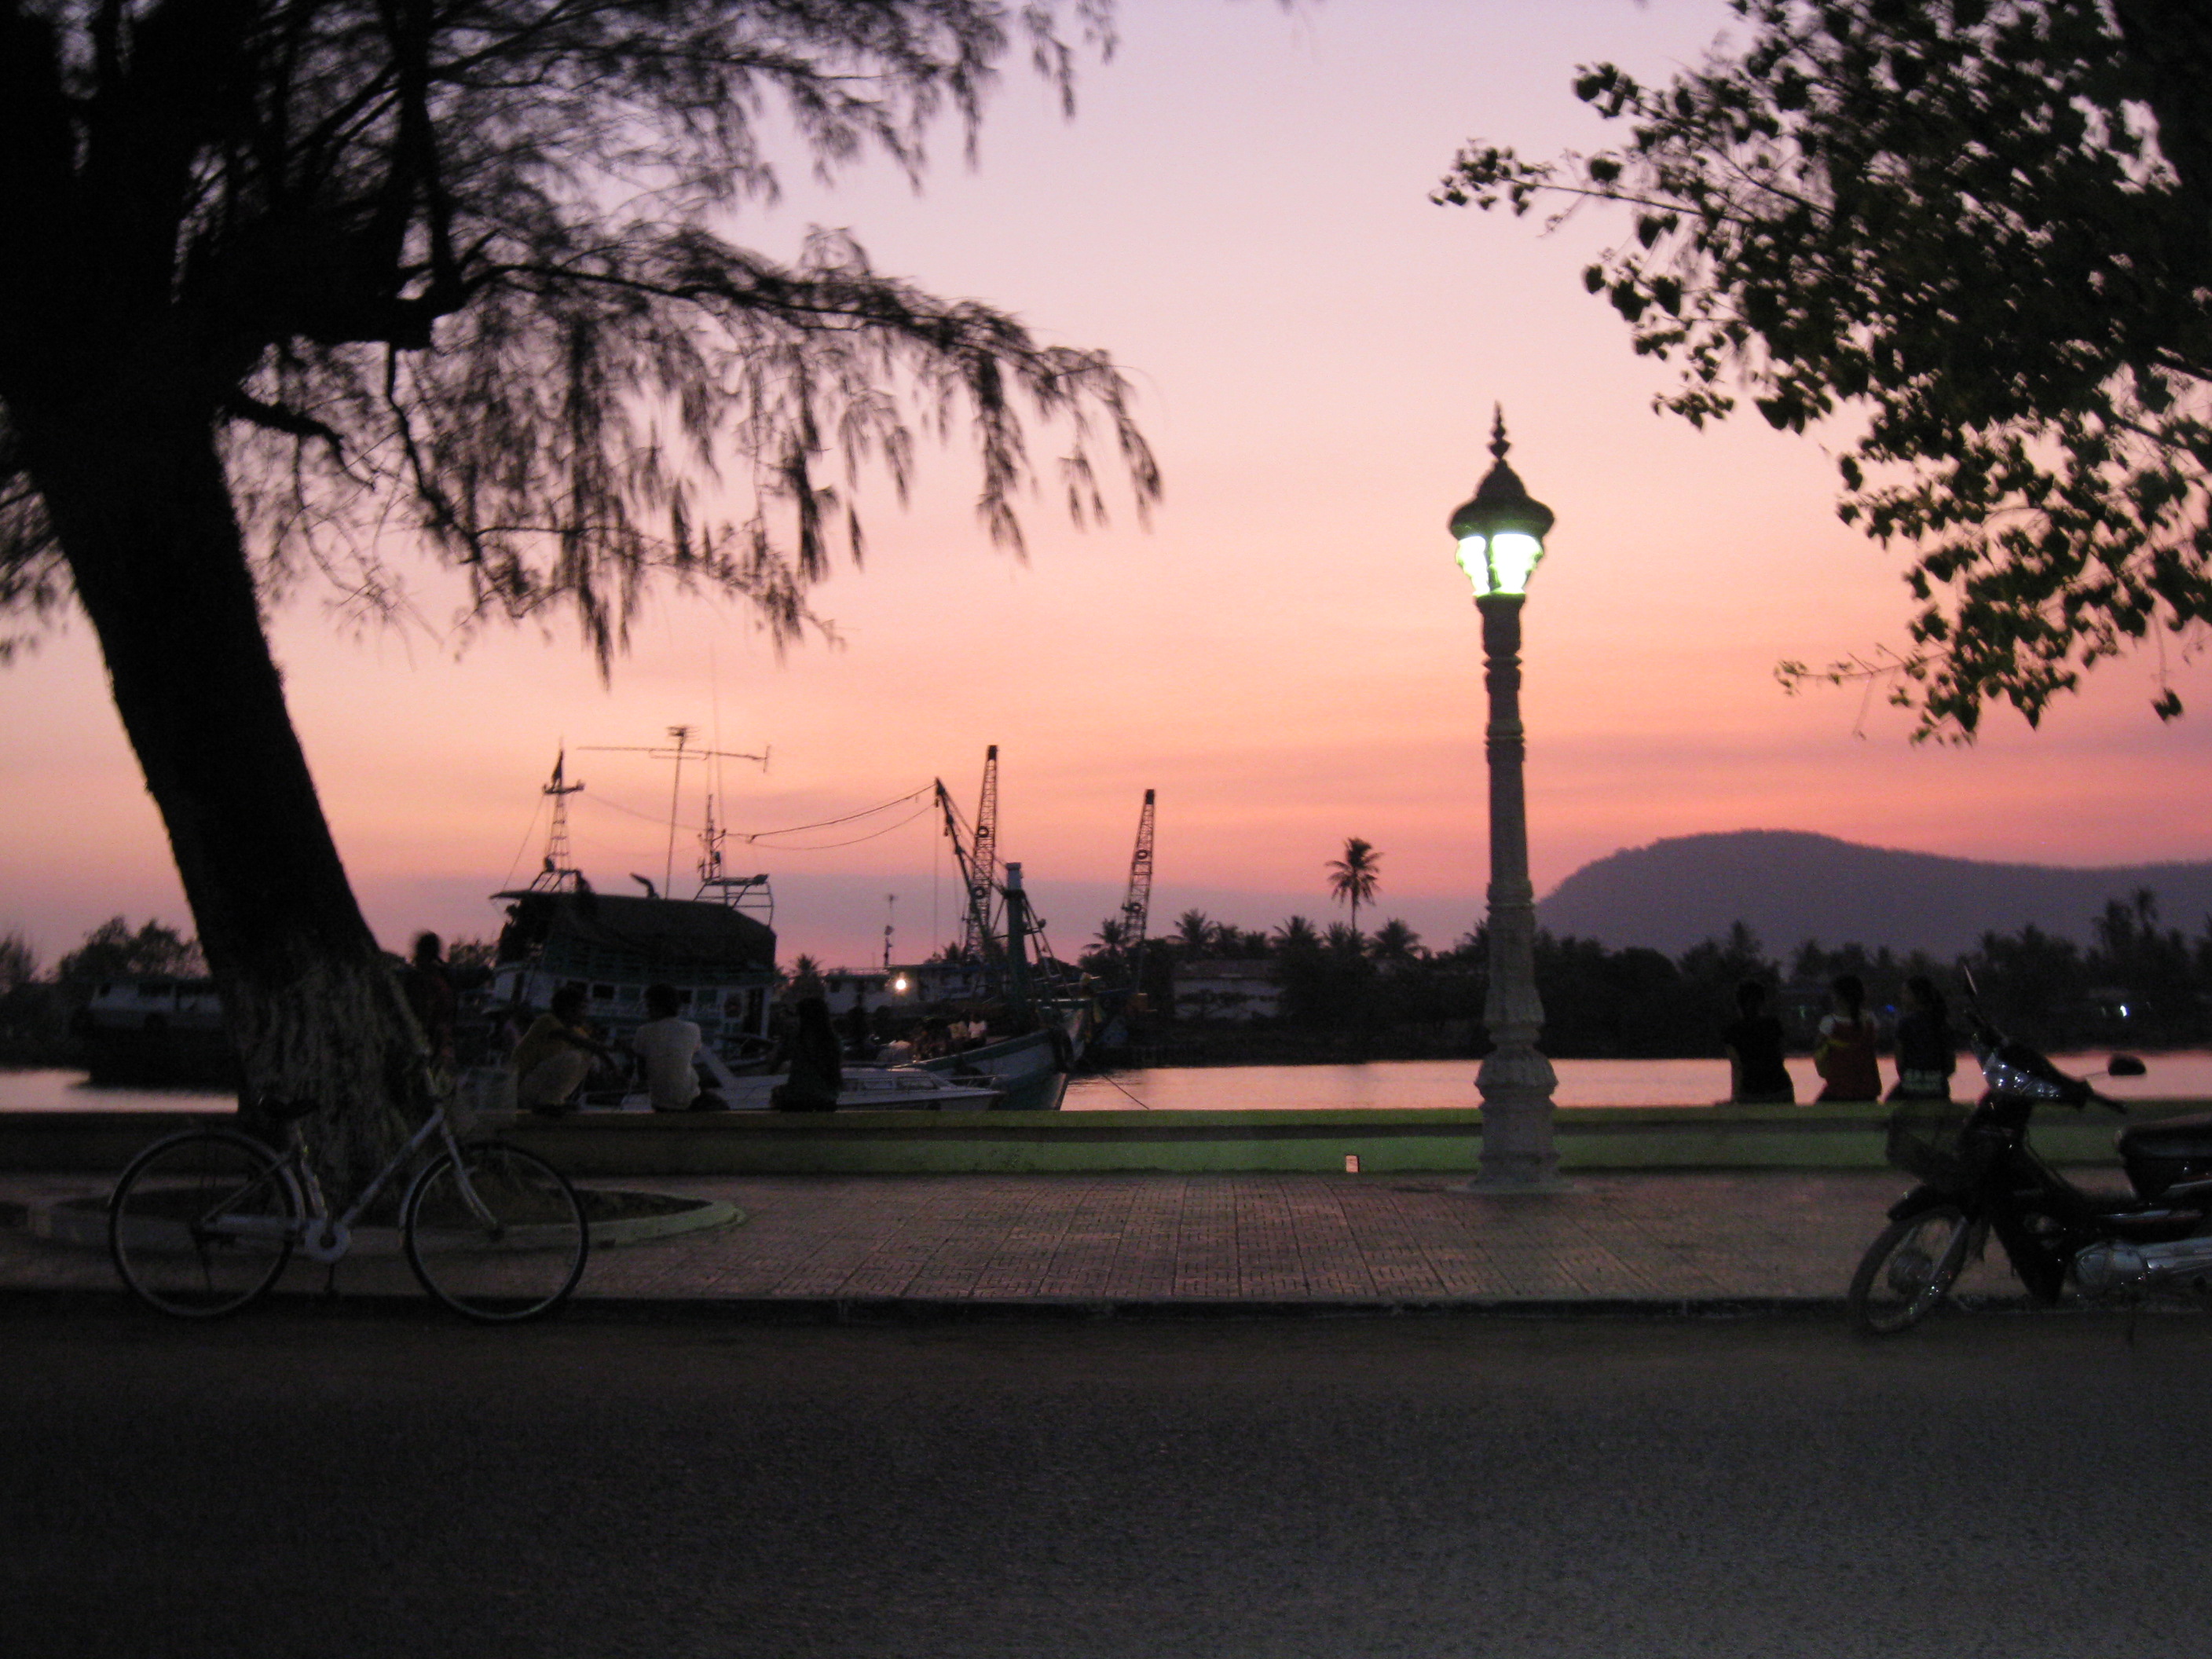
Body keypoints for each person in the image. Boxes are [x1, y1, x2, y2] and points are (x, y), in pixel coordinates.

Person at [511, 984, 614, 1115]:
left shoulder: (576, 1030)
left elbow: (594, 1048)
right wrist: (614, 1048)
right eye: (582, 1009)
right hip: (521, 1089)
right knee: (575, 1057)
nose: (585, 1014)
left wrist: (614, 1070)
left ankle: (556, 1100)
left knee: (588, 1054)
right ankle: (549, 1102)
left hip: (536, 1086)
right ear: (567, 1010)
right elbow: (576, 1040)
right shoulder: (547, 1021)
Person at [631, 983, 728, 1112]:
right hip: (689, 1099)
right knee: (723, 1107)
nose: (647, 1010)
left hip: (660, 1102)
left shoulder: (642, 1032)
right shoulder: (693, 1029)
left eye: (649, 1006)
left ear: (655, 1007)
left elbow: (642, 1071)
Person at [1722, 980, 1795, 1105]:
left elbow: (1737, 1066)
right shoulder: (1774, 1025)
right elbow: (1782, 1055)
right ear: (1762, 1003)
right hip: (1780, 1088)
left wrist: (1734, 1098)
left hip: (1751, 1092)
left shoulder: (1732, 1031)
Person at [1813, 973, 1882, 1102]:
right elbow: (1874, 1043)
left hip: (1839, 1088)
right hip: (1868, 1087)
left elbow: (1818, 1046)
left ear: (1838, 997)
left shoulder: (1829, 1022)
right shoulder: (1870, 1020)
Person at [1888, 975, 1957, 1101]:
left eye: (1906, 993)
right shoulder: (1942, 1023)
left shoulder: (1905, 1024)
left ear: (1918, 996)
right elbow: (1950, 1065)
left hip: (1911, 1087)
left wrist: (1914, 1079)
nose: (1902, 997)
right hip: (1939, 1088)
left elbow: (1900, 1062)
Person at [771, 994, 844, 1111]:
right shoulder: (834, 1041)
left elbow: (772, 1062)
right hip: (826, 1100)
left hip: (799, 1100)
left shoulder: (797, 1039)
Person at [400, 931, 459, 1067]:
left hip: (430, 1043)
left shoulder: (422, 980)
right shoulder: (444, 978)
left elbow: (423, 1013)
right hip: (442, 1042)